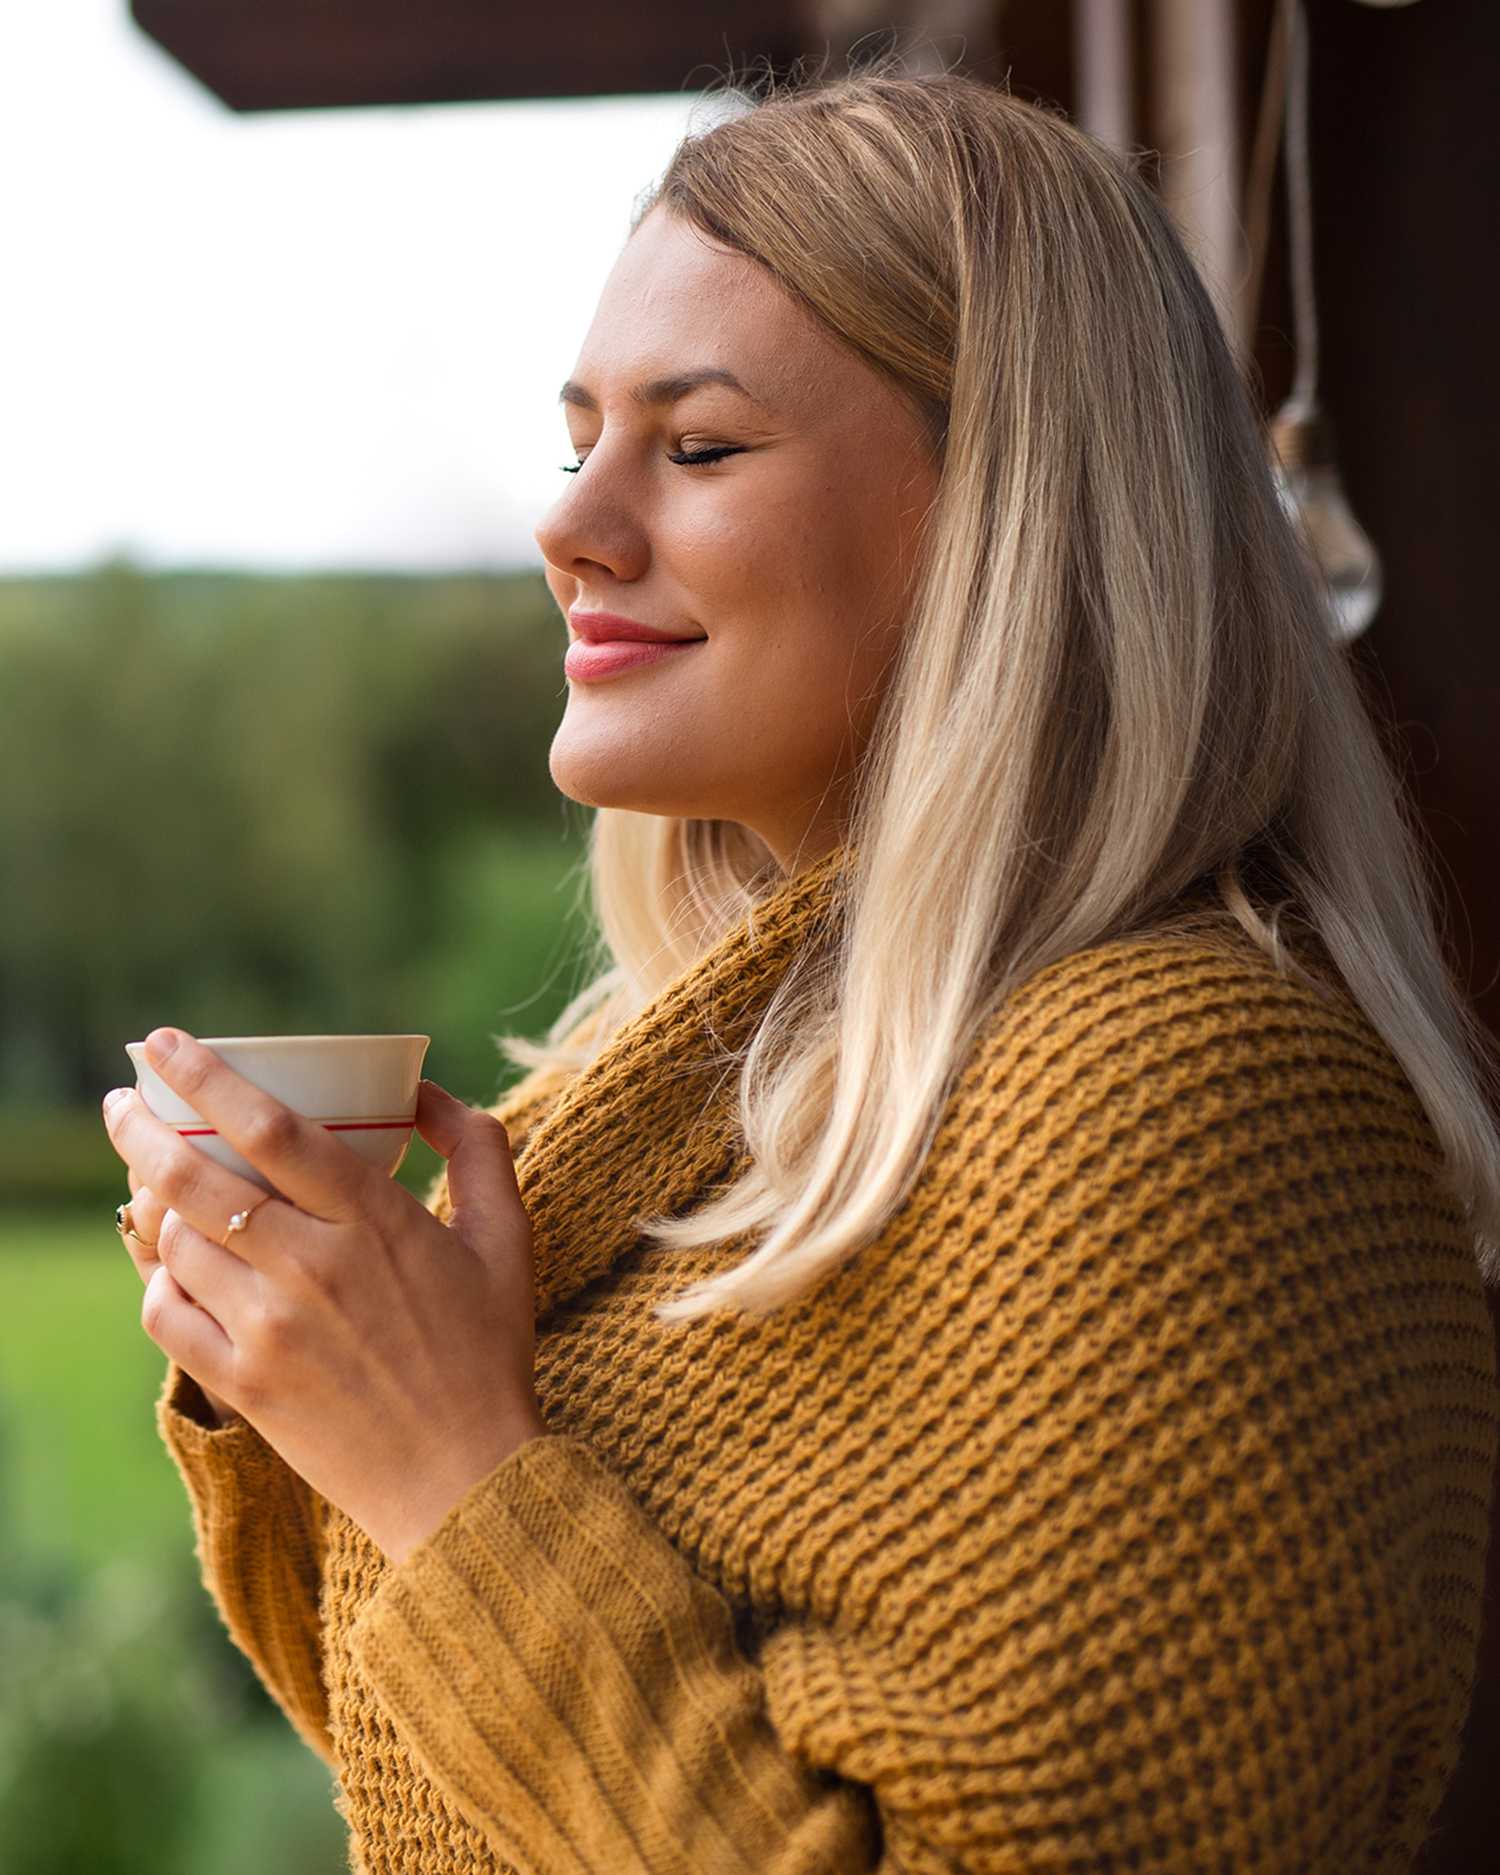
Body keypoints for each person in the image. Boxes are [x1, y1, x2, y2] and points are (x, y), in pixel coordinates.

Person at [105, 56, 1500, 1875]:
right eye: (576, 438)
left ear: (1009, 508)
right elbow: (470, 1794)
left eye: (694, 447)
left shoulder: (1188, 1104)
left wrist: (453, 1474)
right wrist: (333, 1384)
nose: (570, 526)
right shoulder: (736, 1097)